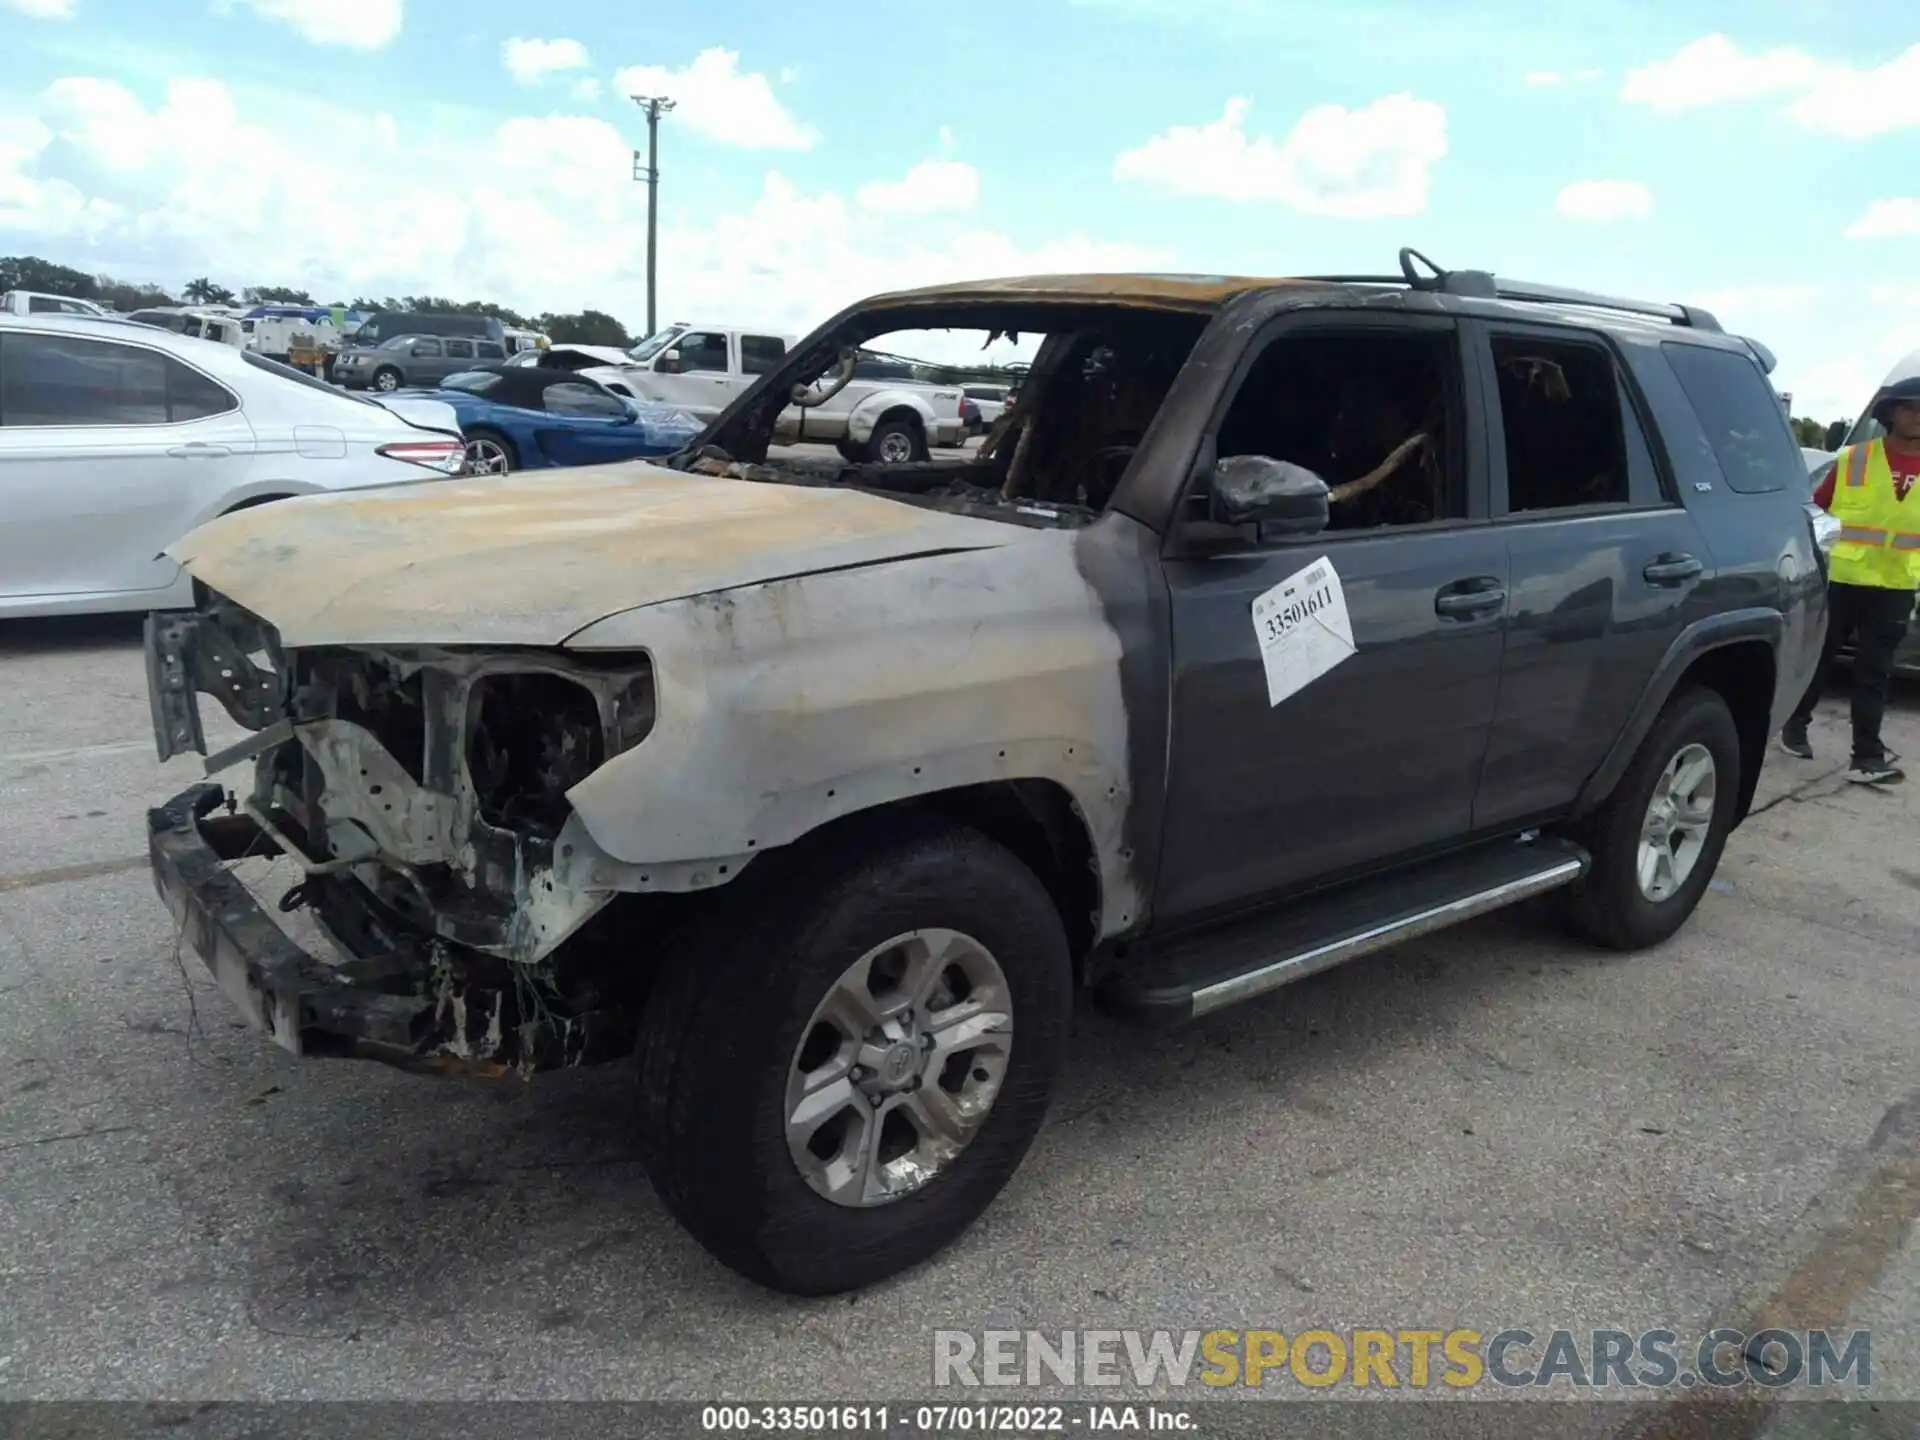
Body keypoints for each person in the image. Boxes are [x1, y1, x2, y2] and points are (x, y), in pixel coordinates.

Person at [1779, 375, 1920, 784]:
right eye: (1910, 407)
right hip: (1843, 578)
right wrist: (1826, 550)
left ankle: (1867, 758)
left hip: (1896, 585)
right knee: (1821, 659)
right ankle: (1795, 724)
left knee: (1875, 672)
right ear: (1890, 413)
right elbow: (1814, 510)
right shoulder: (1854, 459)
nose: (1918, 416)